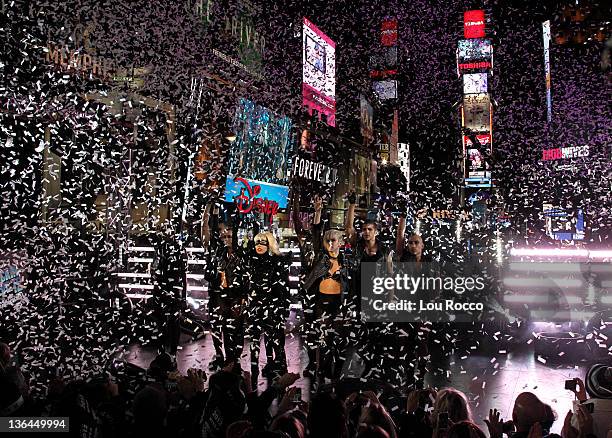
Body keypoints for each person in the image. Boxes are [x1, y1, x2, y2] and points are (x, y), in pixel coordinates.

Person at [296, 194, 351, 380]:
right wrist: (318, 210)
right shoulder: (322, 257)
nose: (329, 243)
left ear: (340, 243)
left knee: (337, 337)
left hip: (338, 303)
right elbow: (316, 231)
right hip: (319, 300)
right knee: (318, 335)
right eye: (327, 241)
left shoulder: (346, 261)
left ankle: (332, 371)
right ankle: (314, 365)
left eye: (333, 240)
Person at [202, 203, 247, 370]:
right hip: (218, 295)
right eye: (223, 236)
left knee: (235, 329)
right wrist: (211, 209)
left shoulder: (241, 255)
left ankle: (233, 359)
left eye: (229, 235)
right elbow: (210, 232)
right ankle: (221, 356)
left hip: (235, 296)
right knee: (216, 326)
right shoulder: (217, 253)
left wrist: (243, 298)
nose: (225, 238)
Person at [243, 231, 290, 387]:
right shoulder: (251, 261)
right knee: (254, 340)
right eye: (257, 242)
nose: (259, 246)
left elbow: (284, 288)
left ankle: (278, 368)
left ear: (269, 244)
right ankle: (254, 371)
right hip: (255, 307)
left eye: (263, 242)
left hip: (273, 307)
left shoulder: (278, 262)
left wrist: (283, 308)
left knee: (275, 341)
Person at [150, 224, 186, 362]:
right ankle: (162, 353)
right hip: (162, 291)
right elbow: (154, 271)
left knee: (173, 323)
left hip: (174, 290)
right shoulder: (159, 249)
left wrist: (183, 295)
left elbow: (183, 274)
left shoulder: (179, 249)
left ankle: (172, 353)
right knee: (161, 323)